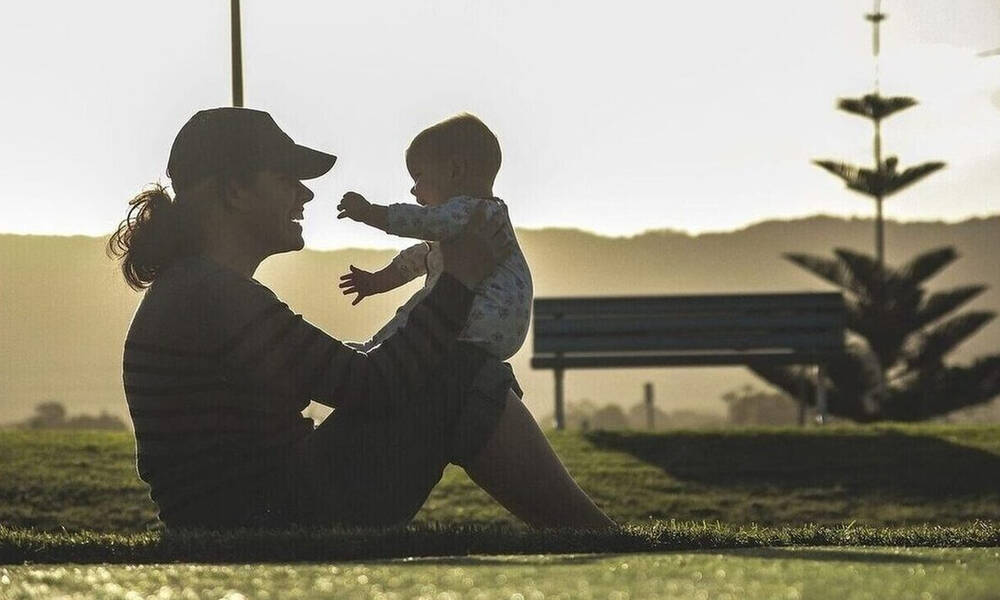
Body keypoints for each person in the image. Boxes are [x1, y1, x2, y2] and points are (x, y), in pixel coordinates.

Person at [108, 107, 615, 531]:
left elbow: (340, 370)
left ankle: (595, 536)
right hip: (270, 519)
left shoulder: (197, 291)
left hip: (254, 511)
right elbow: (371, 385)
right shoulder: (211, 296)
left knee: (457, 367)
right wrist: (459, 281)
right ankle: (598, 539)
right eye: (287, 180)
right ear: (235, 191)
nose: (305, 196)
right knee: (461, 372)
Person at [336, 113, 532, 364]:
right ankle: (375, 349)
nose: (413, 189)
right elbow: (421, 258)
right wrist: (375, 282)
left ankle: (375, 351)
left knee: (420, 310)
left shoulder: (472, 211)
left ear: (455, 170)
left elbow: (421, 222)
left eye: (418, 176)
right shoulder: (482, 220)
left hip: (477, 319)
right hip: (499, 332)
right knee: (426, 306)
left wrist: (369, 212)